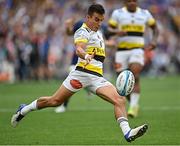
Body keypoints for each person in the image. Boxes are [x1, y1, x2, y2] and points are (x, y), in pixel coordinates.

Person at [11, 3, 148, 142]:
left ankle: (128, 133)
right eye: (96, 19)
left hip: (96, 78)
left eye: (101, 20)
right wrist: (85, 56)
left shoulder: (97, 32)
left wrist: (113, 44)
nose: (99, 23)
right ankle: (24, 109)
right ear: (88, 17)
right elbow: (79, 48)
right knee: (55, 101)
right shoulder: (83, 31)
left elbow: (101, 43)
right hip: (81, 74)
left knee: (119, 99)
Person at [108, 0, 158, 118]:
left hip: (137, 49)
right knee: (122, 83)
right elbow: (108, 30)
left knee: (134, 75)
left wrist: (154, 40)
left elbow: (155, 28)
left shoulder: (145, 13)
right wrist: (116, 32)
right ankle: (133, 103)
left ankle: (134, 106)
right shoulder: (118, 13)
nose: (132, 3)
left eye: (134, 1)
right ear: (125, 2)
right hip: (121, 51)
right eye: (129, 1)